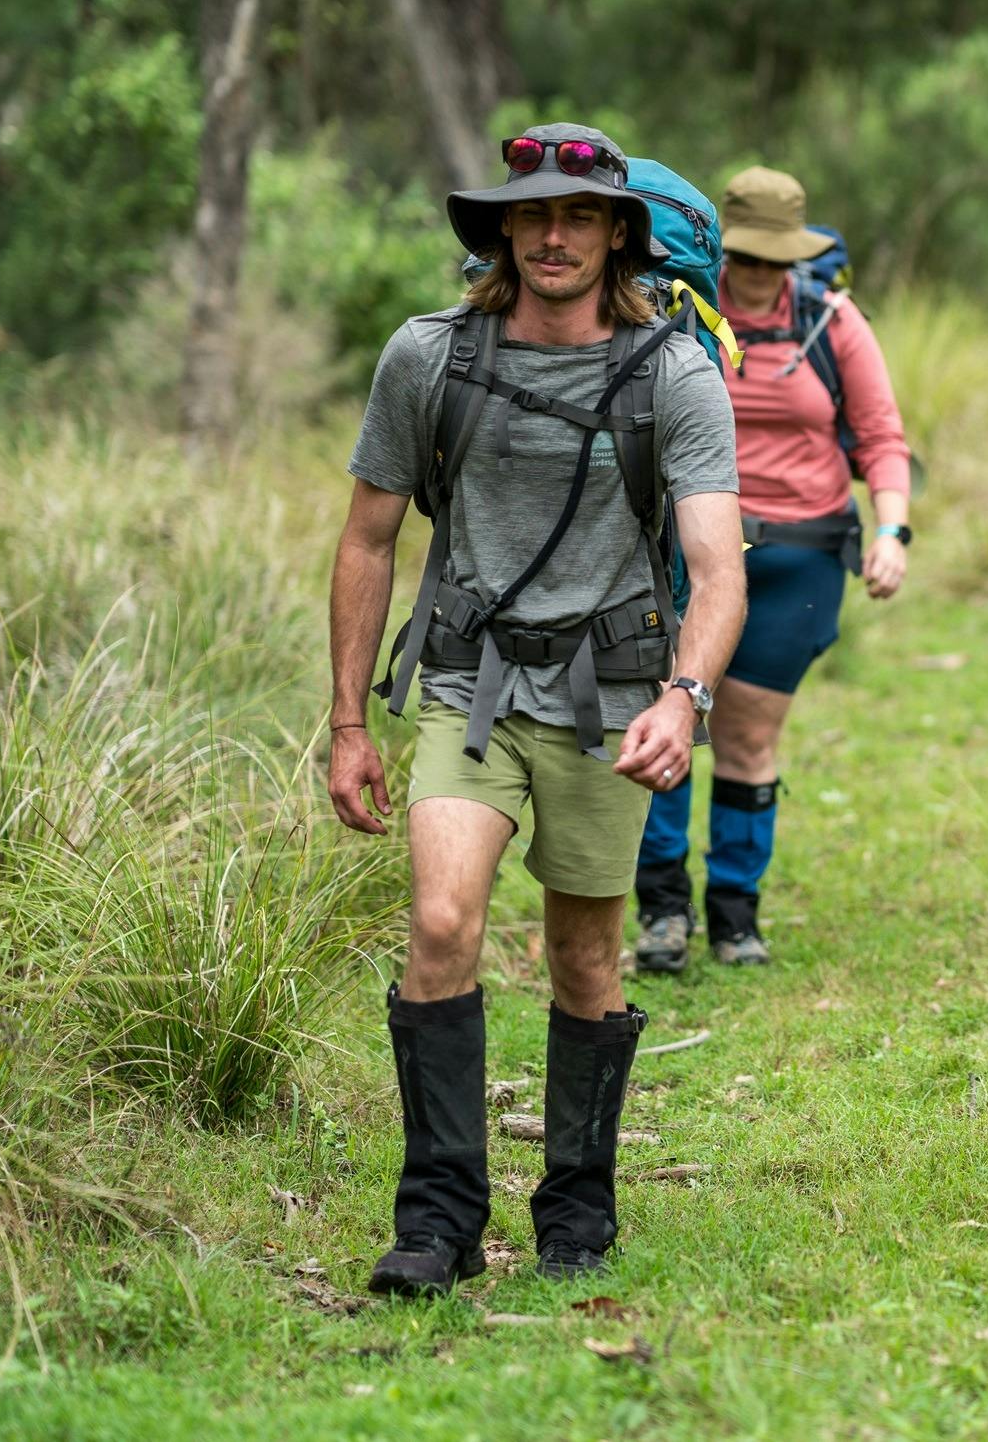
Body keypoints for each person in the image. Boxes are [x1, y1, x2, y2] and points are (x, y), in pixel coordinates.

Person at [326, 123, 747, 1296]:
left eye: (578, 216)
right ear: (503, 229)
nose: (552, 236)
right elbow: (367, 535)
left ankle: (576, 1203)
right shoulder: (428, 357)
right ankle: (438, 1217)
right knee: (443, 920)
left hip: (610, 695)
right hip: (466, 679)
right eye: (530, 215)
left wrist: (684, 694)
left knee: (583, 954)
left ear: (620, 232)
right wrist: (349, 721)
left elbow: (717, 567)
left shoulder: (674, 373)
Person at [631, 166, 912, 972]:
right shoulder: (676, 310)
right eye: (746, 256)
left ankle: (733, 911)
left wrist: (893, 531)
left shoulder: (831, 321)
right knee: (667, 717)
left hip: (799, 553)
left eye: (773, 259)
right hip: (682, 549)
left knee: (749, 731)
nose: (757, 274)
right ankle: (661, 909)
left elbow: (883, 434)